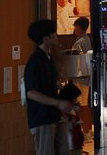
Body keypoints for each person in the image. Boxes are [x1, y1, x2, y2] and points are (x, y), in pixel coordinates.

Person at [24, 19, 74, 155]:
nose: (56, 36)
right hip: (42, 117)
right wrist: (57, 102)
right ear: (45, 38)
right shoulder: (35, 61)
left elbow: (51, 84)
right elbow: (31, 93)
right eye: (54, 34)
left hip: (54, 115)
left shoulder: (48, 58)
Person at [58, 82, 85, 155]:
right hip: (69, 145)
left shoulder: (72, 109)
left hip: (74, 143)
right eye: (75, 98)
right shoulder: (62, 111)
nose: (76, 100)